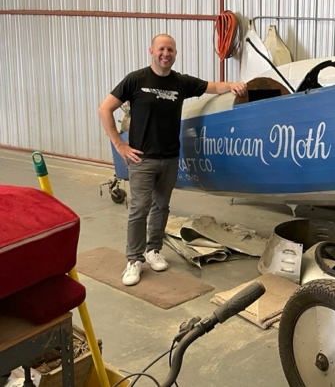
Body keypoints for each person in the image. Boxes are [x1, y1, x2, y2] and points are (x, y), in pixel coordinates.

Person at [98, 33, 247, 286]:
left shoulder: (181, 82)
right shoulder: (136, 80)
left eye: (171, 50)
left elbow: (212, 86)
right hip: (142, 159)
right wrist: (119, 145)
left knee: (161, 207)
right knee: (139, 210)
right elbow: (105, 109)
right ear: (152, 51)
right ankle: (134, 260)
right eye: (162, 49)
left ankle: (153, 250)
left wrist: (232, 85)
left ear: (175, 54)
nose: (166, 54)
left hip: (169, 158)